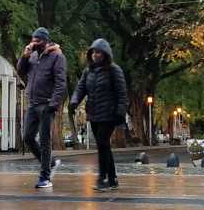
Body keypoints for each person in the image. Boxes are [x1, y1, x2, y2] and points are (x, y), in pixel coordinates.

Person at [69, 38, 128, 192]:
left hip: (109, 114)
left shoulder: (114, 70)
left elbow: (122, 93)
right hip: (94, 113)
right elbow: (80, 88)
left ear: (106, 54)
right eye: (94, 52)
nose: (96, 55)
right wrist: (74, 101)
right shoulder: (88, 71)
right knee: (104, 145)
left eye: (99, 52)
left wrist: (120, 112)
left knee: (102, 143)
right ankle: (113, 178)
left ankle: (103, 178)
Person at [17, 27, 67, 189]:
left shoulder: (57, 56)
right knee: (28, 137)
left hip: (46, 104)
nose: (34, 43)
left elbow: (61, 83)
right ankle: (51, 163)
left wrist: (53, 104)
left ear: (45, 41)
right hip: (33, 103)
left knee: (45, 141)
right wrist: (24, 56)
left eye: (37, 40)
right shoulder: (32, 56)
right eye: (33, 40)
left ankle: (45, 177)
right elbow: (20, 71)